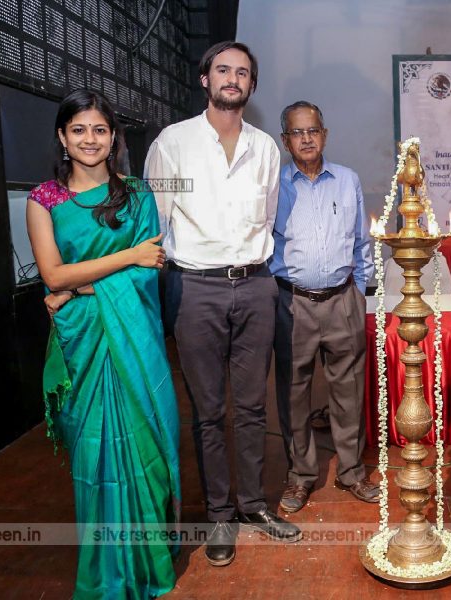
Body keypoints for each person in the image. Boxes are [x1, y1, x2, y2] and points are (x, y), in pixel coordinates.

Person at [145, 40, 301, 567]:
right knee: (209, 412)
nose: (232, 78)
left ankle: (253, 505)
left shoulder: (266, 148)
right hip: (196, 290)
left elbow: (268, 219)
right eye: (222, 70)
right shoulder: (174, 143)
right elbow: (157, 220)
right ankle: (218, 514)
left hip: (257, 286)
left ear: (252, 85)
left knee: (254, 407)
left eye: (242, 72)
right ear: (204, 79)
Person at [26, 89, 180, 598]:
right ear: (62, 137)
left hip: (134, 344)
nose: (89, 140)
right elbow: (50, 273)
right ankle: (109, 572)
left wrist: (77, 285)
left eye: (99, 130)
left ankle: (150, 562)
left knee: (146, 451)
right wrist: (124, 258)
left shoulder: (137, 194)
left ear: (113, 137)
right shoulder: (44, 199)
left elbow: (150, 270)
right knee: (94, 459)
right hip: (82, 349)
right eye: (78, 130)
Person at [270, 101, 378, 513]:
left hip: (342, 300)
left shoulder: (347, 180)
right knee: (294, 393)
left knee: (349, 392)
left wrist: (359, 293)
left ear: (325, 134)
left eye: (313, 130)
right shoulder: (275, 185)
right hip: (292, 302)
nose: (307, 138)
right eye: (297, 133)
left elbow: (360, 242)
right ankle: (300, 477)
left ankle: (351, 472)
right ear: (286, 141)